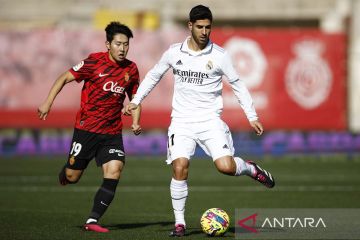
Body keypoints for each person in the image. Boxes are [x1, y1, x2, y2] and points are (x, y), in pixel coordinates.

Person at [124, 5, 275, 237]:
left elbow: (237, 85)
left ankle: (250, 168)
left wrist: (252, 116)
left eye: (208, 27)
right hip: (181, 121)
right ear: (190, 26)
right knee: (179, 167)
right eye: (200, 27)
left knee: (225, 167)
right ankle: (180, 224)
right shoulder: (175, 52)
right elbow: (154, 75)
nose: (205, 32)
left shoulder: (220, 55)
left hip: (210, 121)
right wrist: (136, 100)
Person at [38, 21, 142, 233]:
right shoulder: (94, 62)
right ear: (107, 44)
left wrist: (135, 121)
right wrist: (48, 102)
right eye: (118, 44)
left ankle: (93, 220)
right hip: (86, 130)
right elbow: (65, 77)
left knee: (115, 169)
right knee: (71, 177)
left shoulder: (131, 69)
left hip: (112, 133)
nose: (122, 48)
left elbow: (135, 99)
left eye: (126, 44)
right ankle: (65, 171)